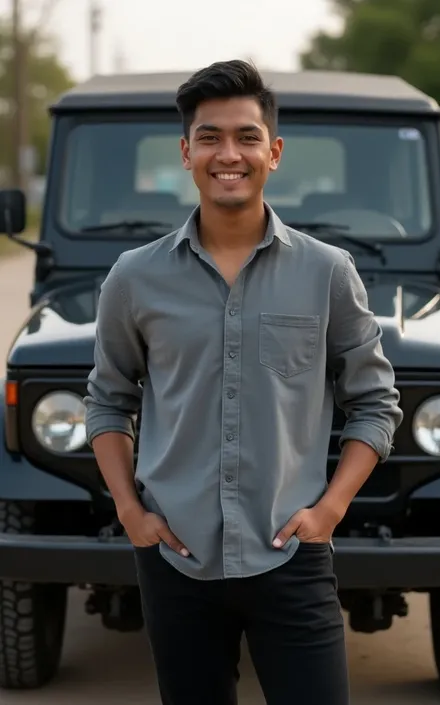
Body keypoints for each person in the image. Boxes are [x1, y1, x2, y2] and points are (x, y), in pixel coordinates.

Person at [84, 59, 403, 705]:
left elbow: (375, 402)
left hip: (292, 554)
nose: (229, 154)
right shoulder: (133, 276)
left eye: (246, 136)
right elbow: (108, 399)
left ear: (274, 151)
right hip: (174, 558)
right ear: (187, 152)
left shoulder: (328, 272)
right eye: (210, 137)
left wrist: (332, 507)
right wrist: (129, 510)